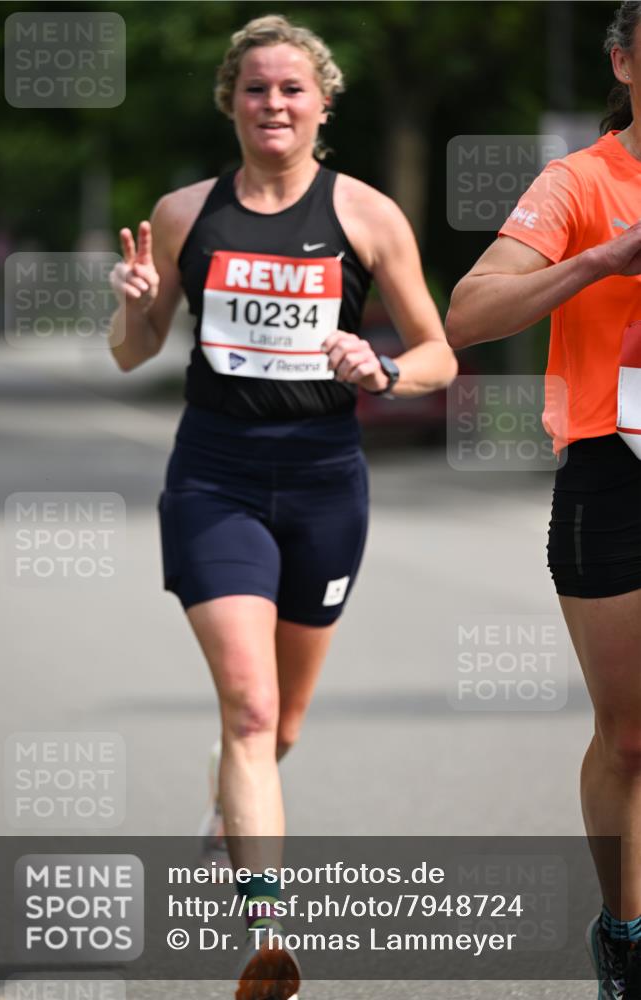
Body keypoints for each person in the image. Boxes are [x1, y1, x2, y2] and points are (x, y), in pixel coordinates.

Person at [109, 14, 457, 998]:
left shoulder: (367, 215)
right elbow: (133, 352)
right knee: (250, 704)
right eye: (256, 88)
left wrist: (380, 367)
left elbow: (438, 353)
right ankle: (266, 932)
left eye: (291, 89)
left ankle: (229, 805)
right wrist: (134, 300)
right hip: (214, 479)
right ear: (230, 100)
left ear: (322, 104)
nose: (273, 104)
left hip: (323, 482)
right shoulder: (185, 214)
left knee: (283, 720)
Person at [446, 3, 641, 997]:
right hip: (615, 469)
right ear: (624, 62)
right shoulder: (579, 182)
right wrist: (600, 260)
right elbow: (467, 314)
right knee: (631, 737)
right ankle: (625, 932)